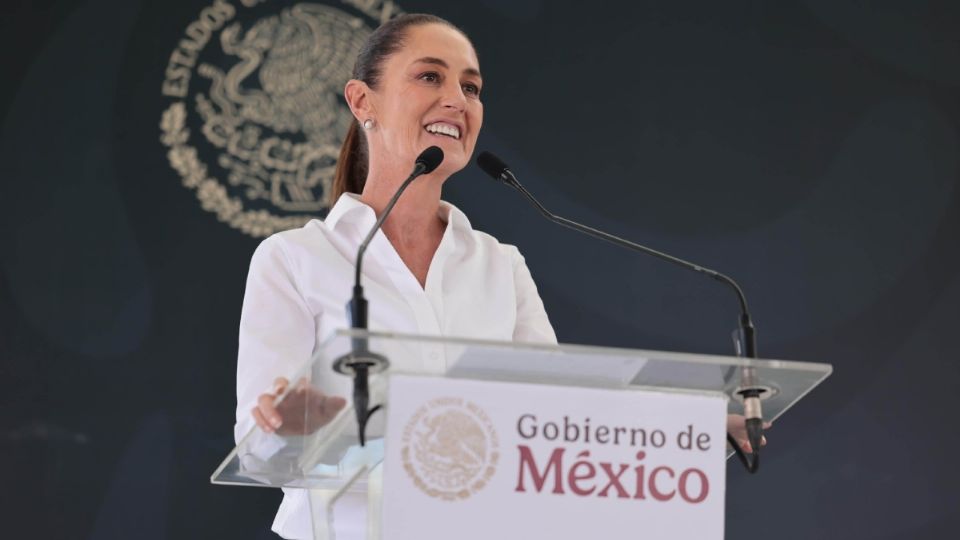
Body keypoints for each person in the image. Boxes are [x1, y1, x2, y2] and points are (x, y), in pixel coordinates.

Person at [234, 14, 556, 539]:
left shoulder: (502, 266)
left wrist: (695, 434)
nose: (457, 99)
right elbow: (256, 446)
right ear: (363, 102)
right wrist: (289, 426)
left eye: (471, 87)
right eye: (430, 76)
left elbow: (556, 425)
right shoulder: (293, 259)